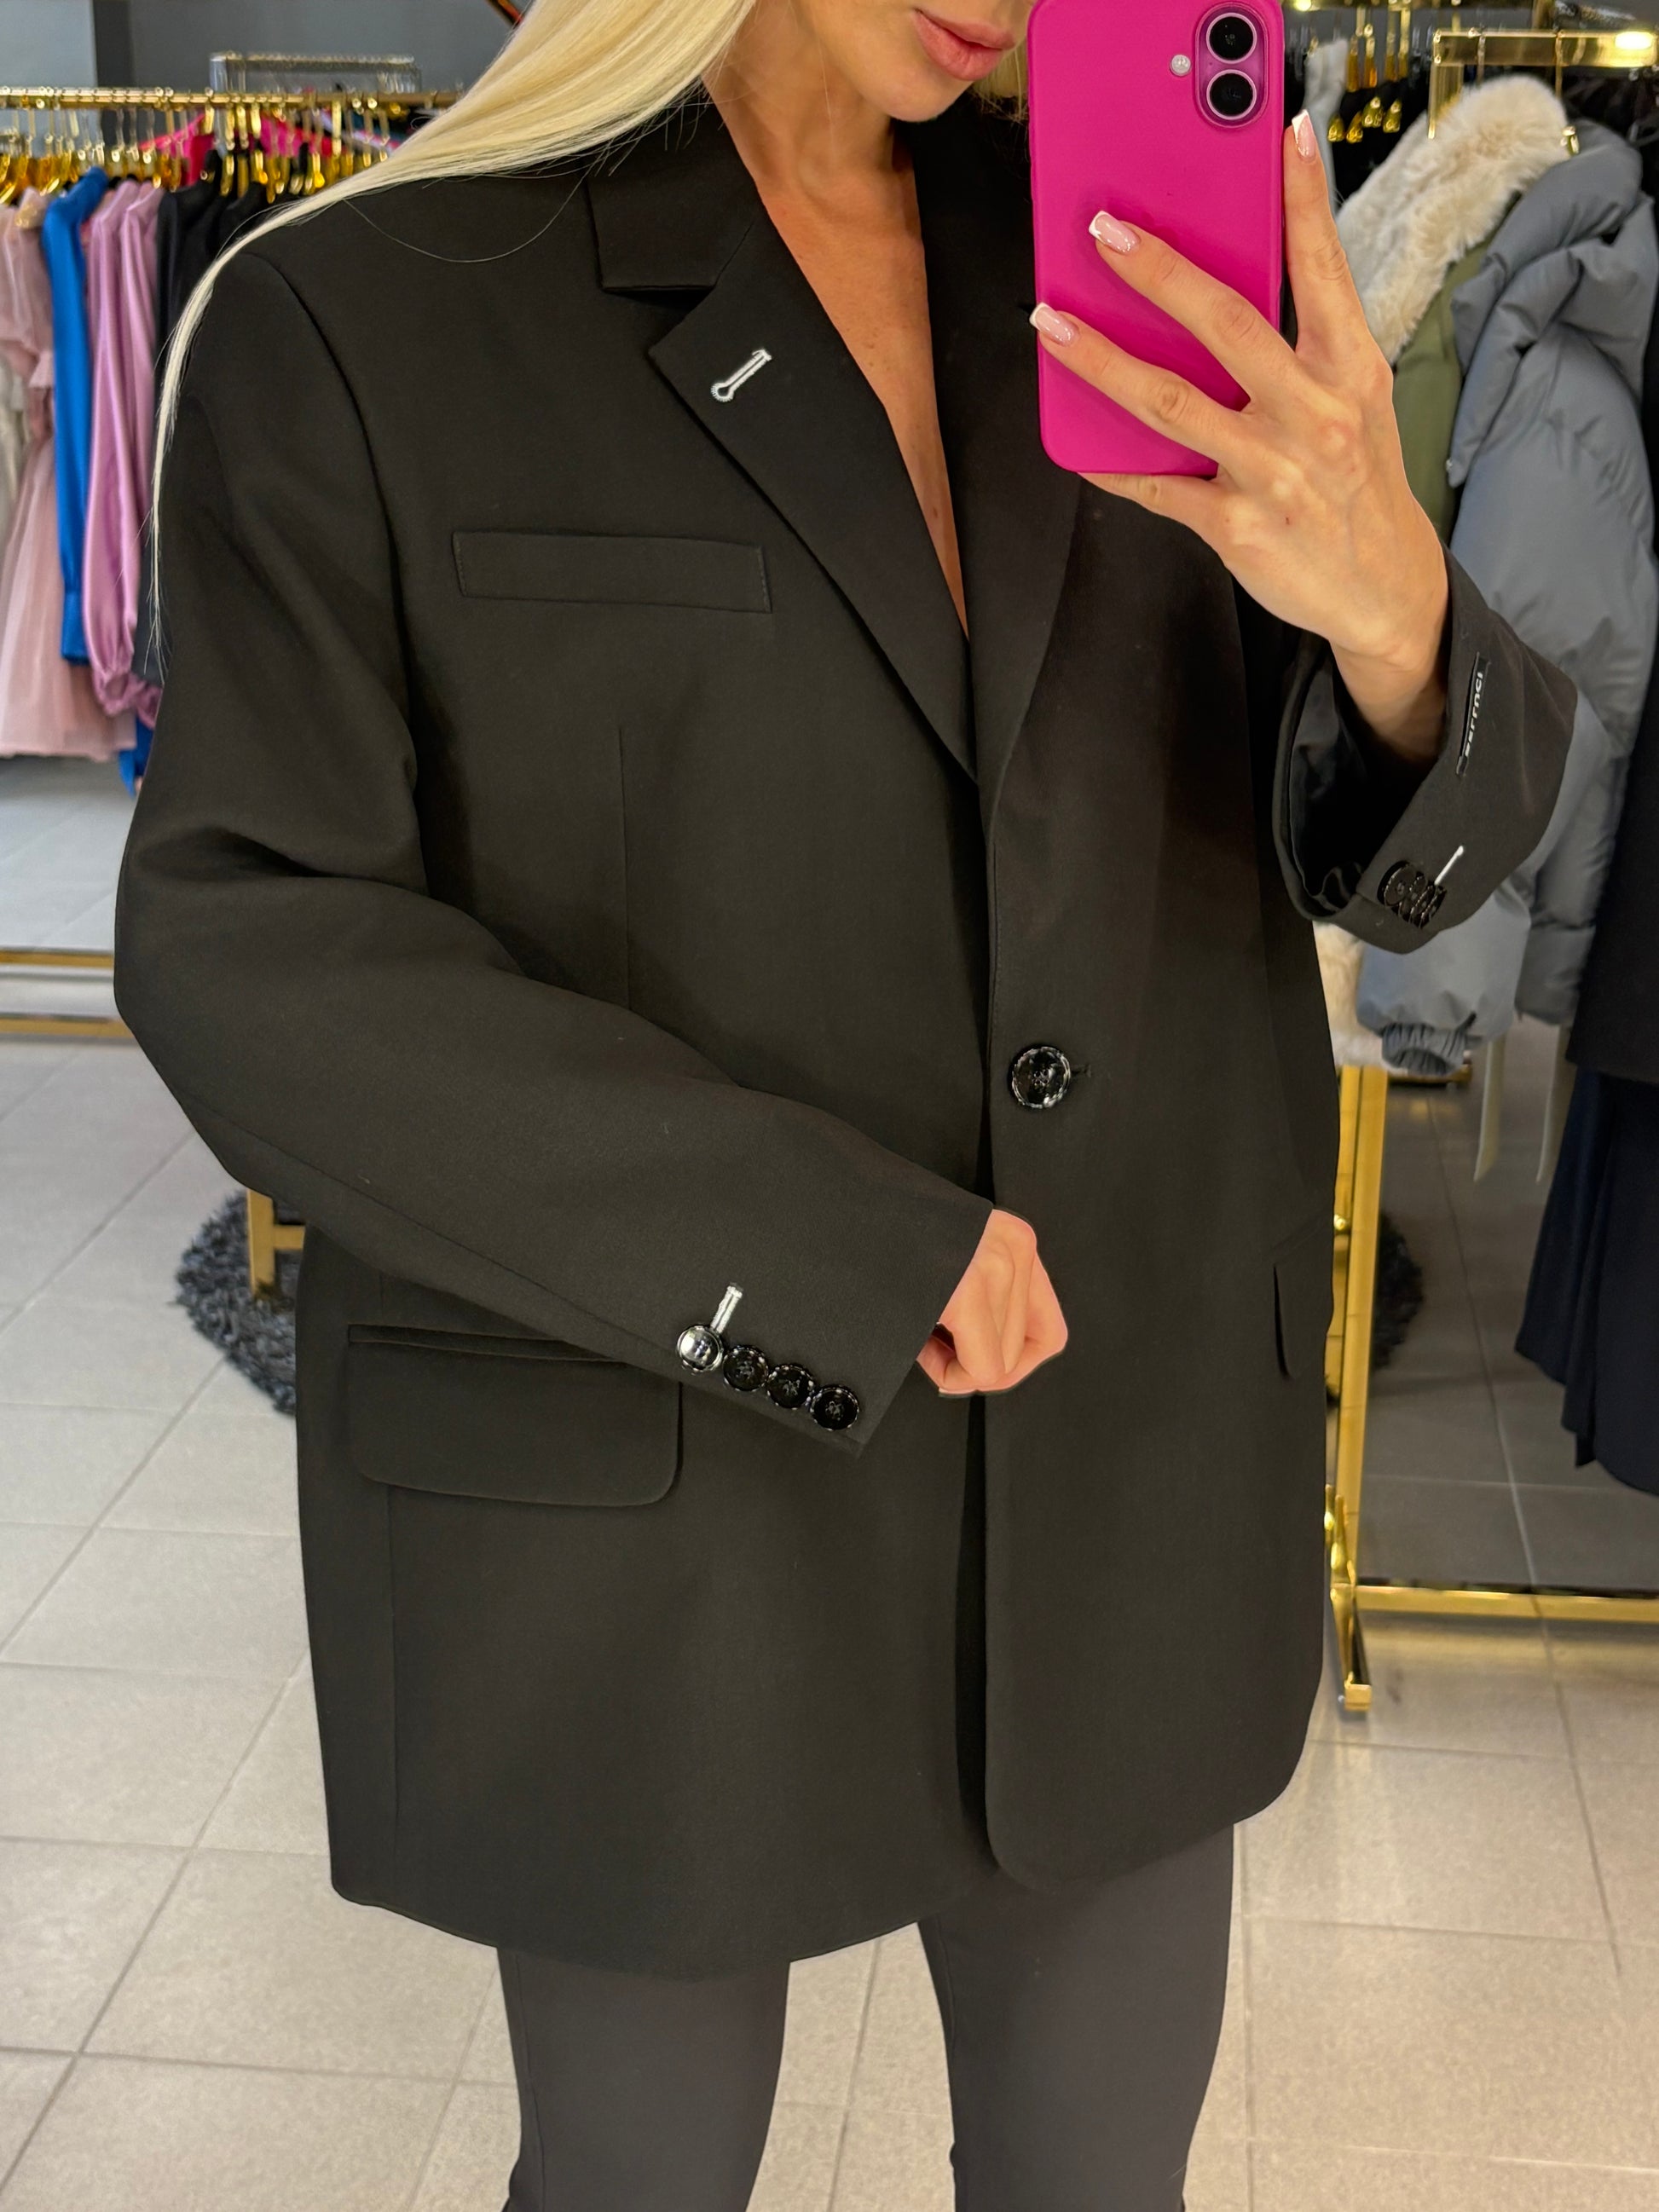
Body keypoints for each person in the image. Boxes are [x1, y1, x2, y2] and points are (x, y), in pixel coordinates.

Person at [114, 1, 1573, 2204]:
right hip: (648, 1503)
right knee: (638, 2173)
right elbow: (252, 948)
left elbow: (1407, 845)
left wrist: (1394, 620)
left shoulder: (1143, 275)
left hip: (1124, 1457)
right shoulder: (364, 318)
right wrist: (830, 1252)